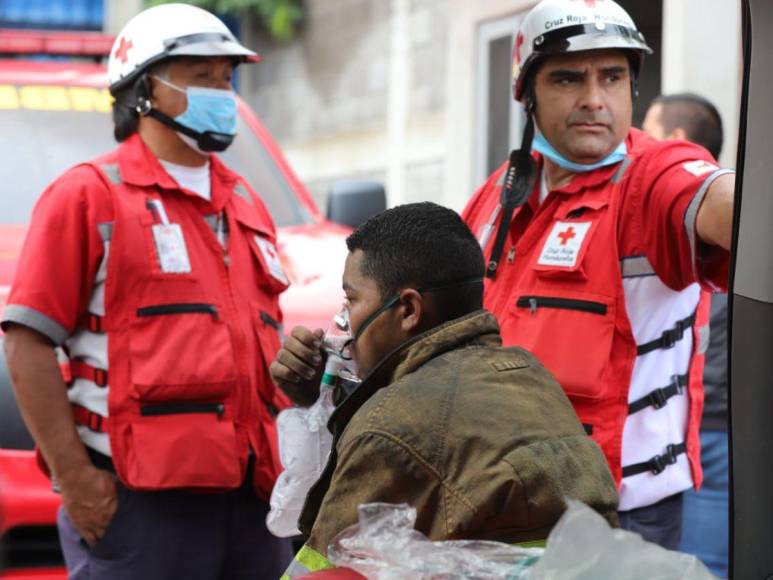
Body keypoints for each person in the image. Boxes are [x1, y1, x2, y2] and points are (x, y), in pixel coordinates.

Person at [1, 5, 293, 579]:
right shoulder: (88, 197)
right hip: (141, 507)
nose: (221, 92)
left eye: (226, 78)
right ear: (142, 92)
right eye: (199, 77)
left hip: (254, 499)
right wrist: (77, 481)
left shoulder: (247, 203)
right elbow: (27, 344)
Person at [460, 0, 735, 549]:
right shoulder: (496, 196)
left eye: (612, 77)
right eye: (568, 78)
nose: (594, 99)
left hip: (619, 519)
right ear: (527, 93)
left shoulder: (653, 177)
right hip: (501, 503)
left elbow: (722, 202)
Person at [272, 202, 620, 576]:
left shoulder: (390, 425)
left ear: (407, 309)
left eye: (352, 299)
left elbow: (322, 566)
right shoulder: (529, 375)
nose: (344, 320)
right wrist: (325, 401)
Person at [643, 93, 729, 577]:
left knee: (700, 565)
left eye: (645, 126)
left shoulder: (699, 212)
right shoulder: (738, 205)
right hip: (715, 421)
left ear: (674, 139)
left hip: (704, 425)